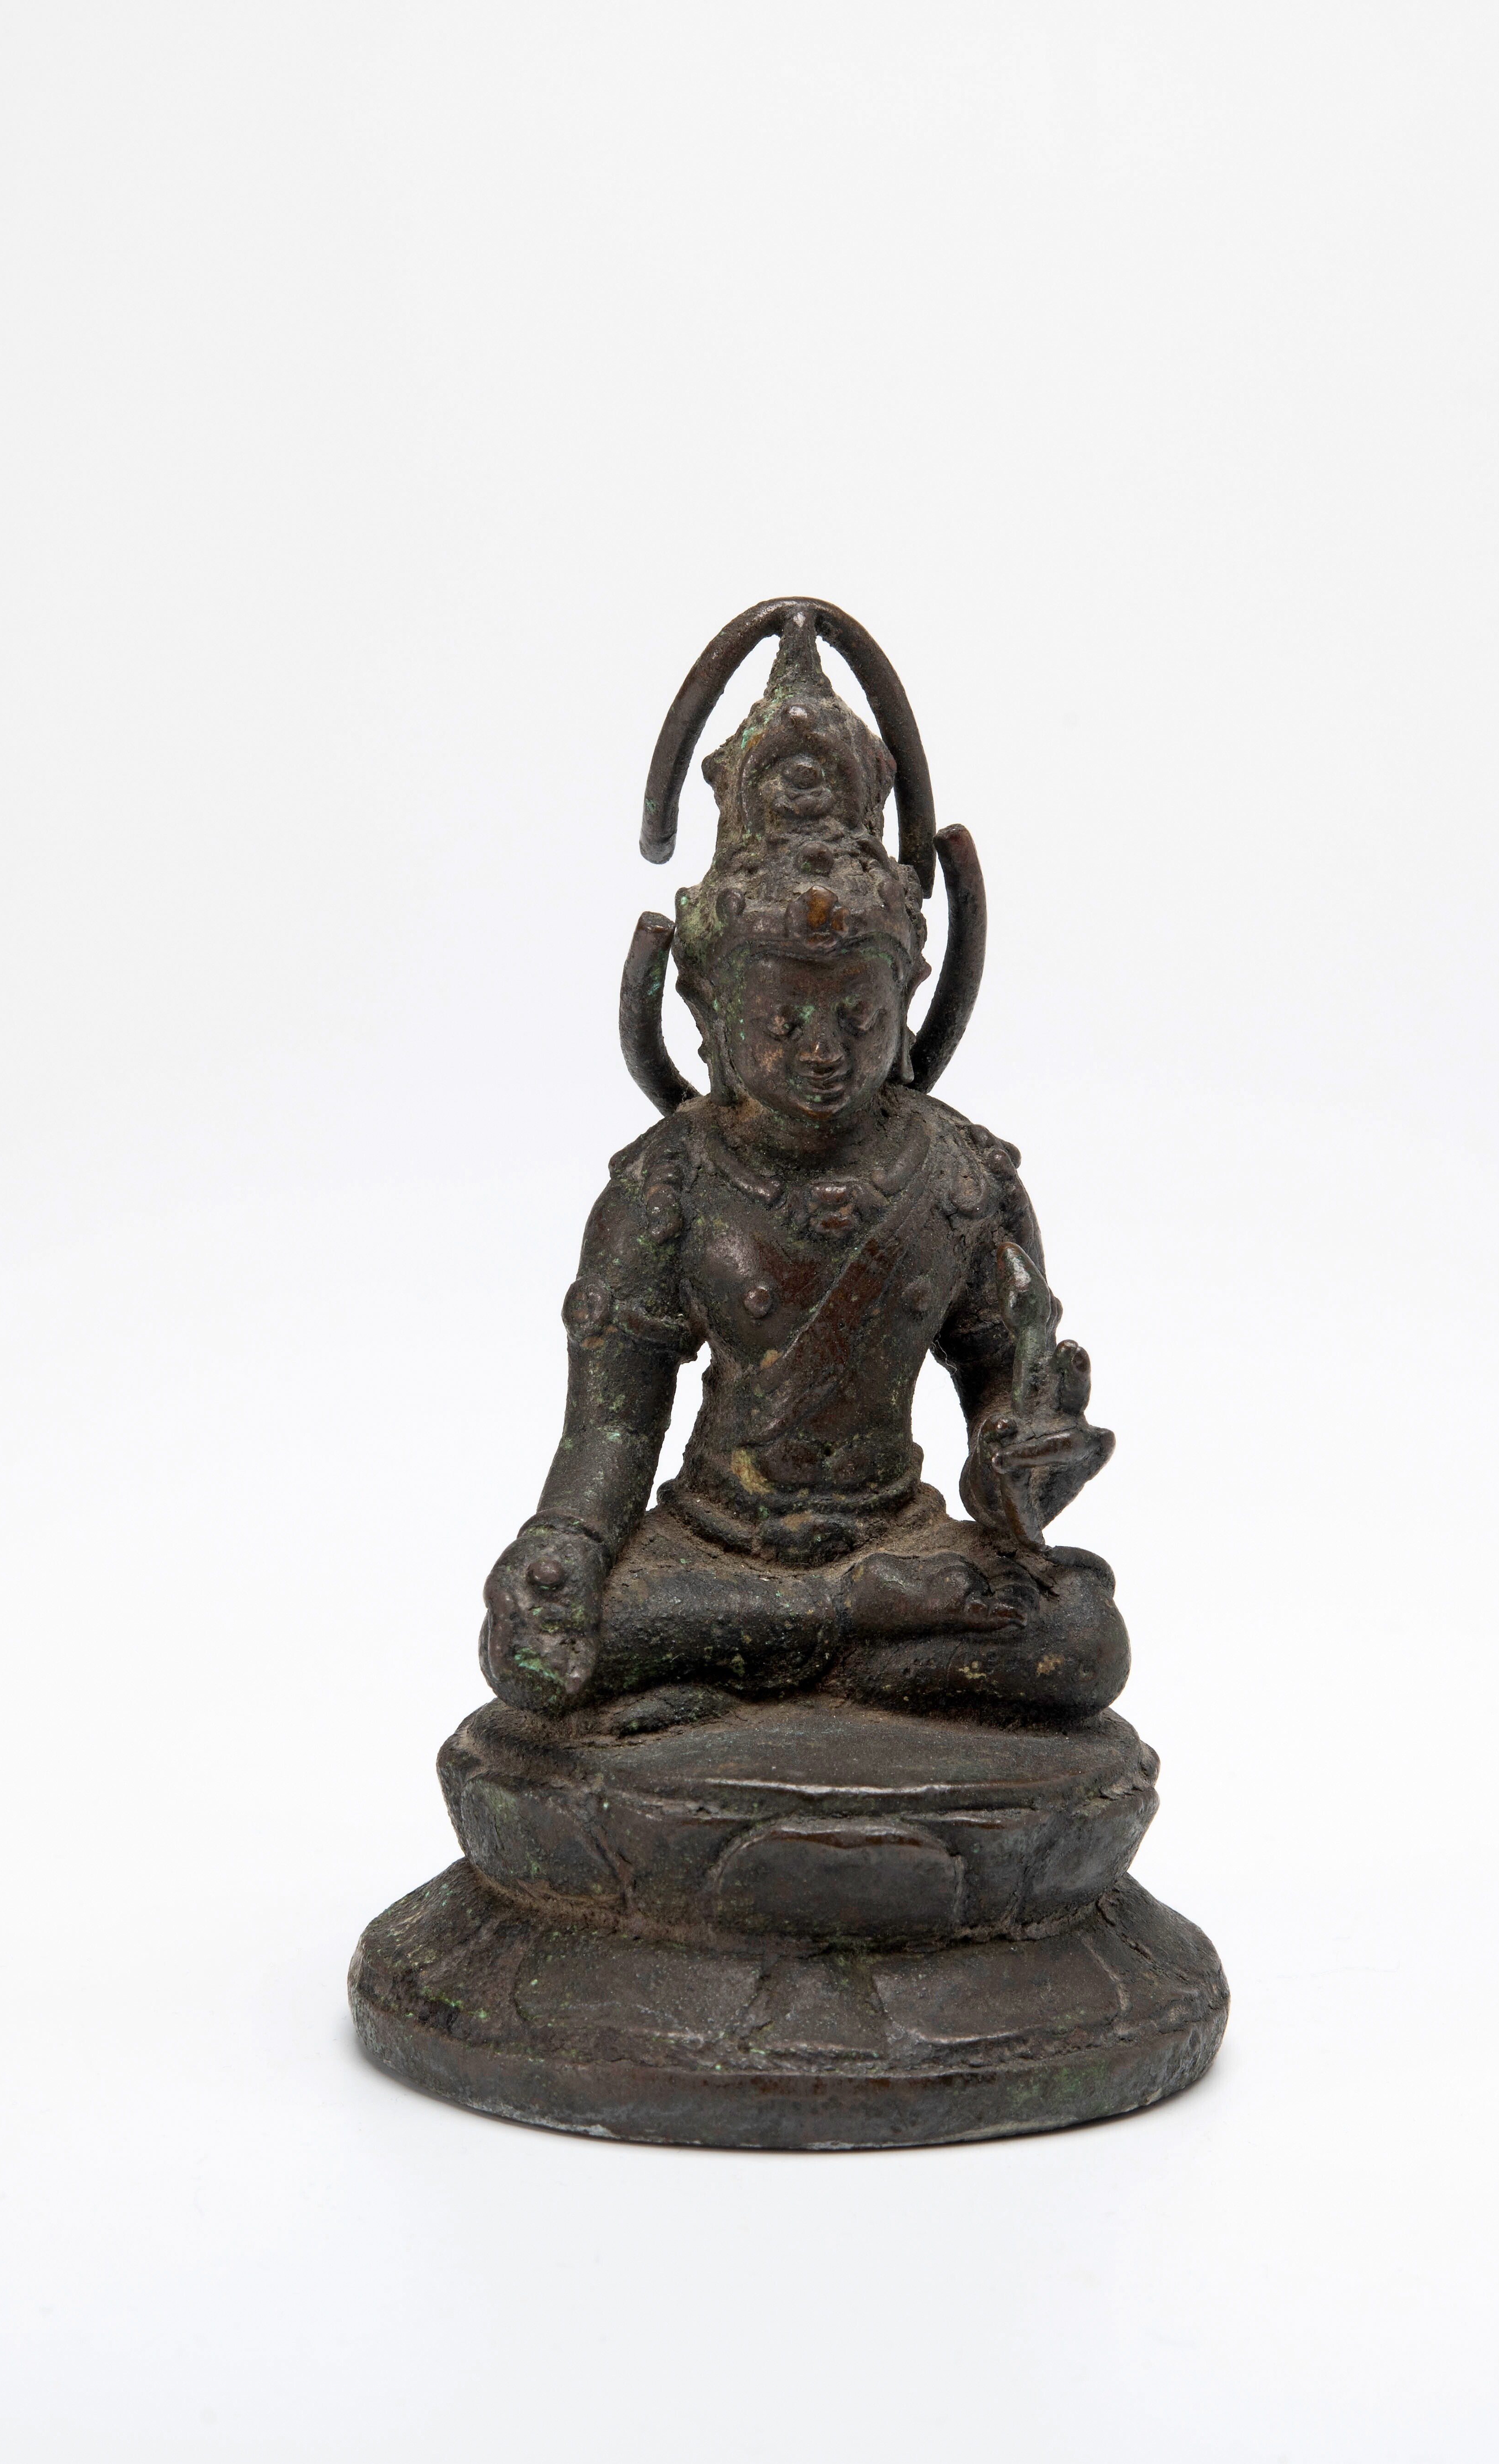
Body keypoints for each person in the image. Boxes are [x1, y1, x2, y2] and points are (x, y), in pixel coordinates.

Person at [478, 624, 1127, 1728]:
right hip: (712, 1550)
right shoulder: (668, 1185)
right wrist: (563, 1550)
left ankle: (768, 1668)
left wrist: (1022, 1467)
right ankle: (849, 1634)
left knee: (1081, 1636)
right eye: (782, 1020)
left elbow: (1002, 1403)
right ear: (705, 1006)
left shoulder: (962, 1179)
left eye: (856, 1015)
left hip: (902, 1539)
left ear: (907, 995)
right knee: (535, 1648)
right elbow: (607, 1438)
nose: (822, 1051)